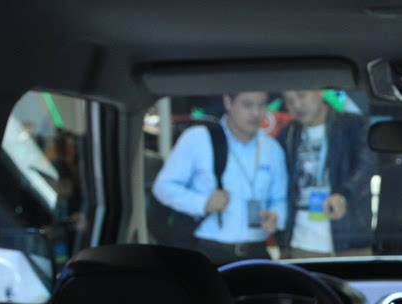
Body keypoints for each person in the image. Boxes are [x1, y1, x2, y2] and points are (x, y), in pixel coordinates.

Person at [152, 91, 287, 264]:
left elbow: (280, 198)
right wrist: (202, 203)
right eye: (247, 105)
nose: (256, 113)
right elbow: (163, 186)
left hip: (257, 250)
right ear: (228, 102)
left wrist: (276, 216)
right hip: (210, 249)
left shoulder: (272, 148)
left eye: (261, 105)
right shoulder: (199, 138)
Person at [277, 90, 375, 259]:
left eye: (301, 95)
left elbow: (367, 167)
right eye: (289, 101)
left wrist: (343, 196)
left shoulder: (354, 125)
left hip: (349, 236)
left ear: (320, 91)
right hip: (301, 239)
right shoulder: (288, 133)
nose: (297, 105)